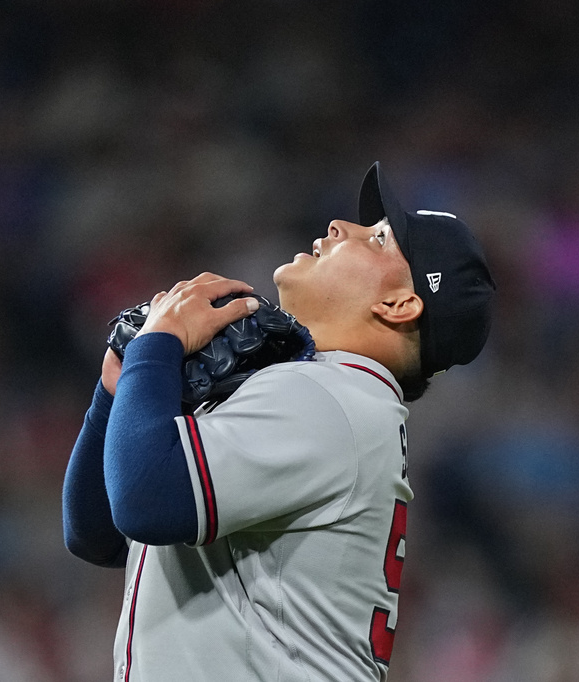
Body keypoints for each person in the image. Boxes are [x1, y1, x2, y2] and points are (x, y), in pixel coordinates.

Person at [62, 162, 496, 681]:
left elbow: (146, 500)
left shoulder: (331, 397)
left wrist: (158, 346)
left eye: (378, 239)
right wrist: (119, 391)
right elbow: (99, 533)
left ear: (399, 304)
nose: (341, 227)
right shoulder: (333, 398)